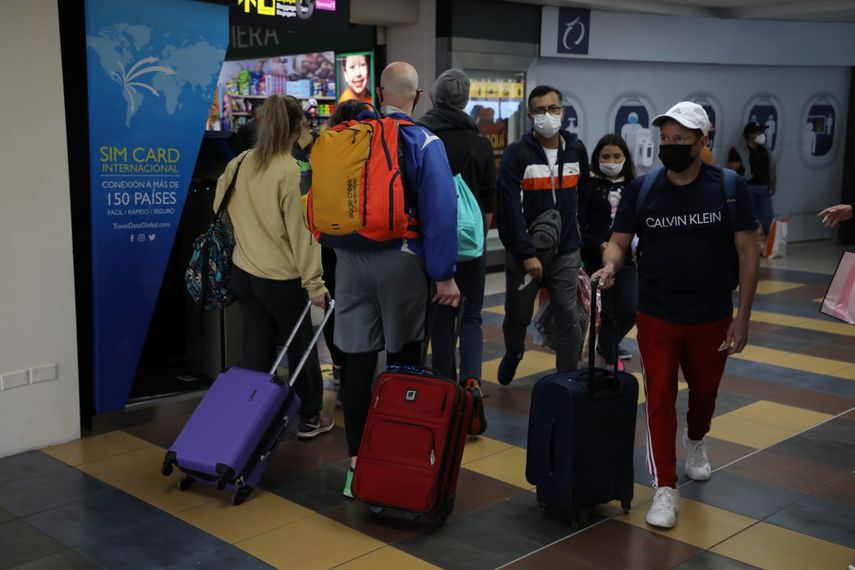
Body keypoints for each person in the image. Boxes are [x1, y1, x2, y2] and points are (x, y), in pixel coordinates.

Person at [593, 101, 760, 529]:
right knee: (660, 398)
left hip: (711, 314)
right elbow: (618, 241)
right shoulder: (644, 189)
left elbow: (748, 252)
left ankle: (697, 437)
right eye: (665, 139)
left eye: (680, 140)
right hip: (657, 313)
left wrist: (742, 316)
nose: (670, 146)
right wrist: (610, 265)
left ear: (703, 141)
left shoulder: (729, 187)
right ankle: (664, 486)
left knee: (704, 392)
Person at [332, 62, 460, 498]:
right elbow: (441, 212)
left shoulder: (349, 135)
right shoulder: (423, 140)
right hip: (401, 261)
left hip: (349, 260)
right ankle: (396, 464)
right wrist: (444, 276)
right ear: (417, 97)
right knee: (404, 361)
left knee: (356, 363)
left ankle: (356, 468)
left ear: (379, 92)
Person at [213, 94, 334, 439]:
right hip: (281, 279)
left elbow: (218, 206)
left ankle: (247, 414)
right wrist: (315, 285)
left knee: (256, 348)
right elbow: (303, 235)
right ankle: (310, 416)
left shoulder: (240, 163)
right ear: (297, 127)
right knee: (300, 347)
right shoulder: (293, 172)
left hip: (243, 272)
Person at [495, 85, 587, 385]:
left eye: (553, 109)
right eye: (540, 110)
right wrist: (526, 254)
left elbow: (584, 198)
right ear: (530, 115)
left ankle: (567, 382)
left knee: (568, 315)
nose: (548, 115)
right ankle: (513, 353)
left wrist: (584, 241)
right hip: (526, 253)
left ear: (563, 112)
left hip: (566, 251)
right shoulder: (516, 154)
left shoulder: (575, 150)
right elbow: (509, 209)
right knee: (517, 316)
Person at [418, 69, 496, 382]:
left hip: (429, 243)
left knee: (439, 315)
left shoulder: (420, 137)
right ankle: (472, 383)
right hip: (471, 242)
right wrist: (477, 239)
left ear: (435, 97)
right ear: (464, 101)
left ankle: (444, 386)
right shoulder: (479, 143)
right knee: (471, 316)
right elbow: (488, 201)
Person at [581, 133, 638, 369]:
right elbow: (580, 223)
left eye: (616, 156)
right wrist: (599, 244)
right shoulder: (589, 185)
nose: (611, 161)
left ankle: (608, 344)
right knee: (608, 311)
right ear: (597, 158)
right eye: (605, 157)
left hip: (627, 258)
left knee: (630, 308)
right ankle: (611, 357)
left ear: (625, 158)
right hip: (596, 258)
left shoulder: (634, 186)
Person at [728, 122, 776, 236]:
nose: (762, 135)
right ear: (749, 135)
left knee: (767, 217)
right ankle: (752, 243)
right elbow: (732, 171)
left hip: (764, 189)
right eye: (758, 133)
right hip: (747, 189)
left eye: (761, 132)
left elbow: (771, 168)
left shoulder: (764, 149)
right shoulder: (738, 150)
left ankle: (765, 242)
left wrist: (773, 184)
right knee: (749, 219)